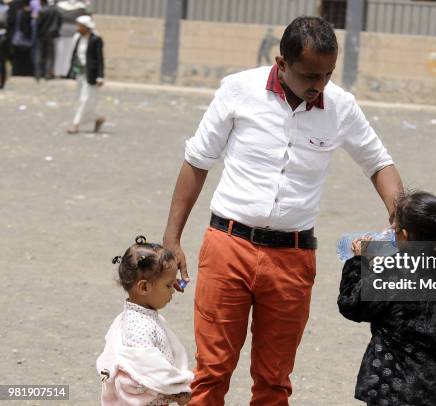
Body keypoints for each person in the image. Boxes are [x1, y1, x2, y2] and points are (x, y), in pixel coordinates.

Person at [162, 16, 403, 405]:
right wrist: (172, 238)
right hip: (228, 248)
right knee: (212, 373)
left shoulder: (340, 106)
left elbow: (378, 163)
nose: (319, 85)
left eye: (327, 75)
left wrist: (402, 221)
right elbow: (197, 161)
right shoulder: (238, 90)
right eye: (310, 75)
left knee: (274, 380)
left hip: (292, 259)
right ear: (281, 63)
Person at [337, 191, 436, 405]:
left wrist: (359, 262)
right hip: (430, 386)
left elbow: (351, 305)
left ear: (403, 235)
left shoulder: (391, 273)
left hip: (386, 387)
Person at [96, 236, 193, 406]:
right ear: (144, 287)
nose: (174, 291)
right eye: (168, 285)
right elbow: (146, 369)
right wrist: (176, 389)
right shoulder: (138, 327)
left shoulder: (142, 317)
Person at [66, 14, 104, 134]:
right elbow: (74, 55)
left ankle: (75, 124)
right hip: (80, 73)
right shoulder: (77, 38)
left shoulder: (95, 40)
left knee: (85, 99)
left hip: (91, 74)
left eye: (80, 26)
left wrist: (100, 76)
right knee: (81, 99)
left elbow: (99, 59)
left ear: (86, 27)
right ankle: (98, 118)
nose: (77, 28)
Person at [34, 0, 61, 80]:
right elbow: (59, 22)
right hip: (51, 35)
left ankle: (38, 73)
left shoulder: (41, 10)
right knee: (50, 55)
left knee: (39, 54)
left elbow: (38, 24)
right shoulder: (55, 10)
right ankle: (48, 73)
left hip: (42, 35)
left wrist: (37, 34)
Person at [9, 0, 33, 76]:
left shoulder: (17, 10)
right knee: (25, 56)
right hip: (24, 38)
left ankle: (16, 72)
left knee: (17, 56)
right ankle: (24, 72)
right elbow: (26, 27)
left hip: (16, 36)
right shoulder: (27, 12)